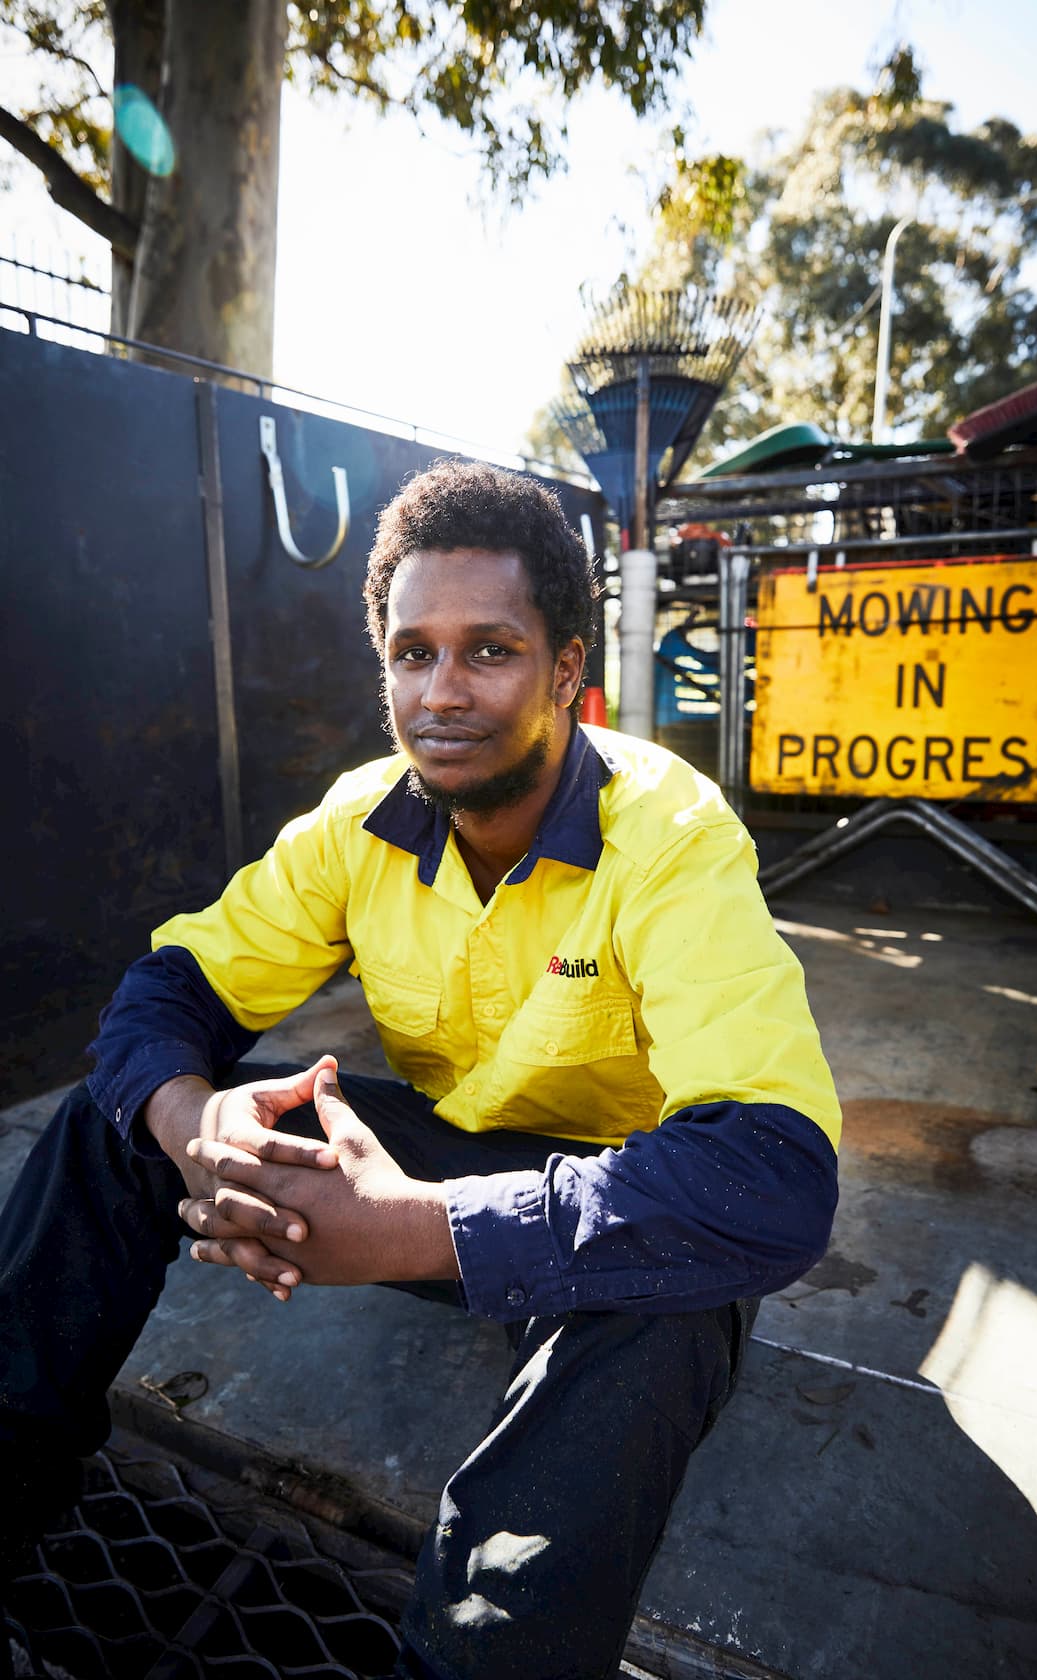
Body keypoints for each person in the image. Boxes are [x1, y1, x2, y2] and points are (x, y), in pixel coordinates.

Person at [0, 459, 842, 1680]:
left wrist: (410, 1233)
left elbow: (772, 1177)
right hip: (440, 1162)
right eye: (411, 654)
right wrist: (194, 1125)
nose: (442, 694)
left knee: (678, 1299)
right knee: (109, 1121)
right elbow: (168, 989)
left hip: (620, 1188)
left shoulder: (669, 833)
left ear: (566, 671)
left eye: (489, 652)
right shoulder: (359, 819)